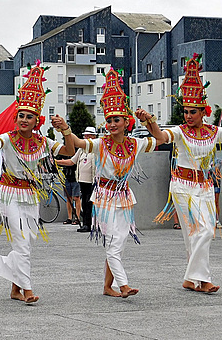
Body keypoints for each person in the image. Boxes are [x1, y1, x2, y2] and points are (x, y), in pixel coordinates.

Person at [143, 54, 222, 293]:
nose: (188, 115)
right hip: (182, 187)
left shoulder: (214, 131)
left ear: (203, 111)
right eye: (186, 111)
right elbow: (161, 138)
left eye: (193, 111)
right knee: (196, 232)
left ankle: (192, 279)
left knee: (203, 231)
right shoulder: (180, 131)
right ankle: (201, 280)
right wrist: (150, 122)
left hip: (204, 187)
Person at [55, 67, 167, 298]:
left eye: (116, 120)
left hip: (124, 197)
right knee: (114, 241)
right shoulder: (101, 143)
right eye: (109, 120)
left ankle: (107, 287)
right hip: (104, 196)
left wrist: (149, 121)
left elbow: (160, 139)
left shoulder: (135, 144)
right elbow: (76, 142)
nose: (112, 124)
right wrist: (66, 129)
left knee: (120, 241)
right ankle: (123, 285)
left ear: (126, 122)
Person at [0, 61, 71, 304]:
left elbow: (68, 151)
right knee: (21, 241)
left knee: (26, 243)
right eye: (20, 115)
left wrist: (65, 130)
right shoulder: (7, 139)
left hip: (31, 196)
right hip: (8, 194)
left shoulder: (43, 142)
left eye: (28, 116)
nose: (23, 119)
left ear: (37, 120)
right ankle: (28, 290)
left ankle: (13, 285)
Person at [56, 126, 97, 232]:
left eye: (88, 135)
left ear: (93, 136)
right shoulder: (82, 150)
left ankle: (94, 224)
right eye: (85, 136)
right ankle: (87, 224)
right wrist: (57, 162)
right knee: (85, 203)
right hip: (83, 181)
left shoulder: (97, 149)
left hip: (94, 181)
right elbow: (71, 161)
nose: (86, 137)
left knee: (92, 203)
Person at [56, 157, 81, 226]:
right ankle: (69, 217)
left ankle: (77, 217)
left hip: (75, 176)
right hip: (67, 176)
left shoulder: (76, 152)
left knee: (76, 197)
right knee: (68, 198)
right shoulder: (64, 152)